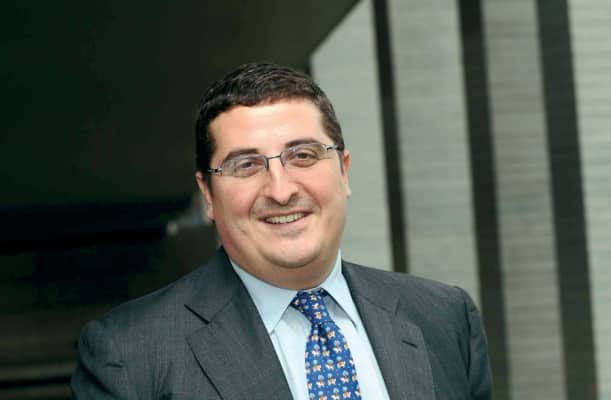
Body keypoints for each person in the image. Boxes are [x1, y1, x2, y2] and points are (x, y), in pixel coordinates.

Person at [72, 63, 493, 399]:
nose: (281, 190)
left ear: (344, 171)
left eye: (303, 155)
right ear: (208, 195)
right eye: (246, 165)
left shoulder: (443, 317)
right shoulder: (130, 354)